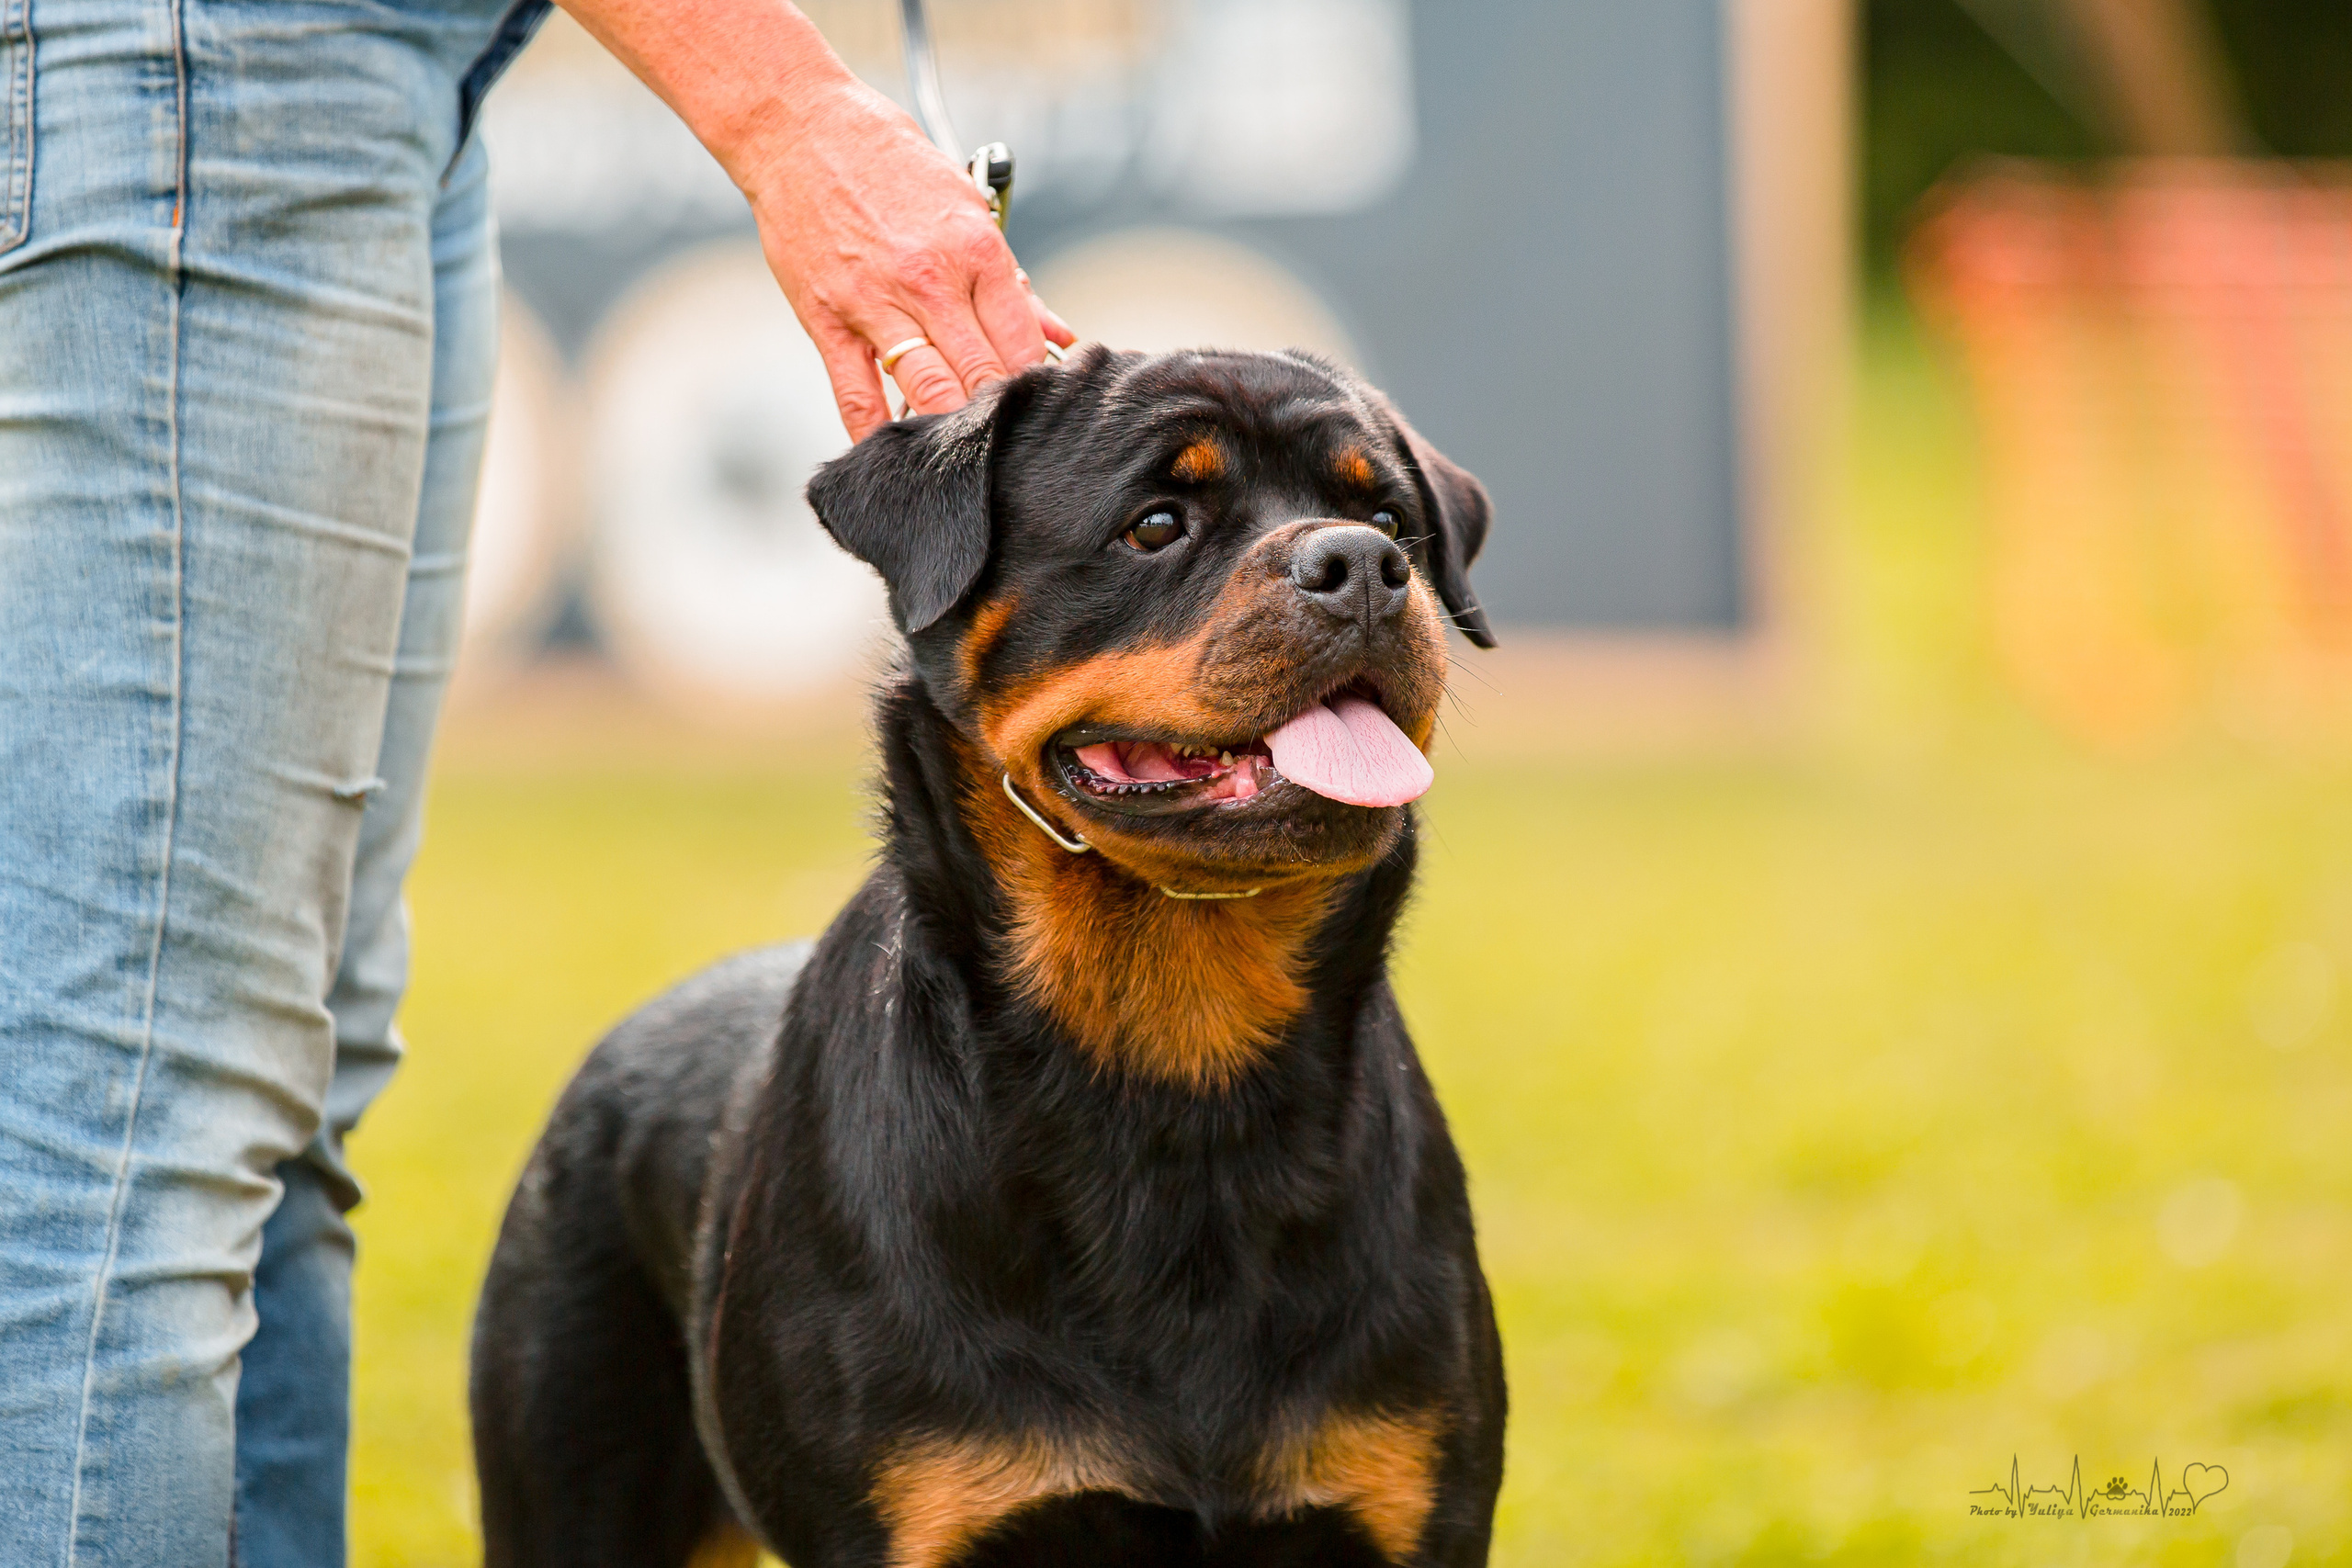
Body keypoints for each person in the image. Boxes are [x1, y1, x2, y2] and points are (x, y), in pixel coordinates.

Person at [0, 0, 1070, 1558]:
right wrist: (791, 119)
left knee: (264, 1098)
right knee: (139, 1115)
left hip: (388, 65)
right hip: (217, 54)